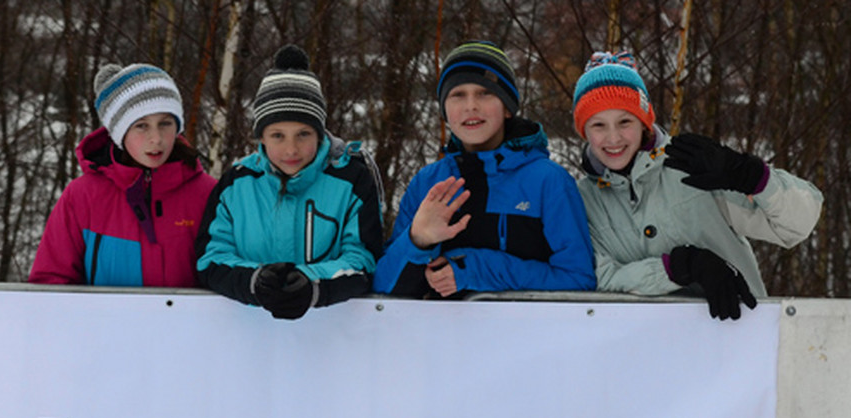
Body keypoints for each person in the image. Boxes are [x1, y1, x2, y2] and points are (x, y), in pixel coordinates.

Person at [572, 51, 824, 320]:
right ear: (584, 131)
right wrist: (677, 268)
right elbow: (599, 276)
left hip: (740, 334)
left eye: (625, 122)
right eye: (598, 125)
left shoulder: (694, 165)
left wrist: (750, 176)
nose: (613, 138)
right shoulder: (582, 199)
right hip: (643, 347)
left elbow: (799, 224)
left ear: (644, 122)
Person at [374, 41, 595, 298]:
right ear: (445, 110)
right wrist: (417, 240)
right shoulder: (428, 182)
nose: (471, 106)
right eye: (458, 95)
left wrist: (477, 269)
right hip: (439, 337)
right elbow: (384, 291)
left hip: (527, 335)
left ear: (508, 108)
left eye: (484, 93)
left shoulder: (549, 181)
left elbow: (579, 281)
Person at [195, 44, 382, 320]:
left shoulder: (351, 181)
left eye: (303, 134)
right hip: (246, 337)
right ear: (261, 138)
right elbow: (210, 258)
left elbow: (363, 260)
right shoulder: (236, 184)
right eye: (278, 136)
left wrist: (312, 284)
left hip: (332, 338)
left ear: (320, 134)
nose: (291, 149)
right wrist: (255, 282)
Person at [28, 63, 216, 286]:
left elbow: (224, 277)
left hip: (186, 321)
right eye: (141, 126)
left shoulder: (207, 194)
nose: (156, 138)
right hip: (103, 321)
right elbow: (50, 282)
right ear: (119, 132)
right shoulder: (83, 197)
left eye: (165, 123)